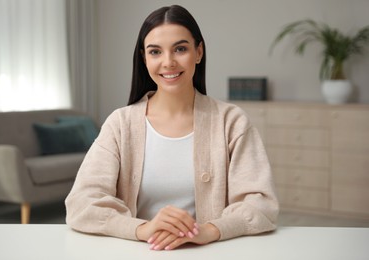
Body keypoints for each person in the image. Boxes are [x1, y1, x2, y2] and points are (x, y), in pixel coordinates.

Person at [65, 5, 279, 251]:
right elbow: (81, 204)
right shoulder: (120, 124)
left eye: (180, 49)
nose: (168, 62)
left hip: (212, 252)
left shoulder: (231, 121)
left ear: (198, 52)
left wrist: (208, 231)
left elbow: (262, 204)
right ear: (144, 59)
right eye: (155, 52)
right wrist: (142, 229)